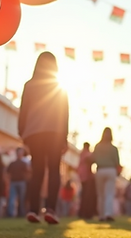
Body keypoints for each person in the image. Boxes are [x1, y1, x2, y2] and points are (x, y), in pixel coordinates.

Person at [18, 52, 69, 225]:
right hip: (55, 131)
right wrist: (64, 137)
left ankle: (33, 210)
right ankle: (51, 210)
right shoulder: (59, 85)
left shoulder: (30, 85)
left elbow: (23, 110)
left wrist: (22, 132)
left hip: (34, 132)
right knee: (54, 170)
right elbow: (65, 112)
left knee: (37, 171)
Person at [91, 127, 121, 222]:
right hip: (111, 170)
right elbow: (117, 162)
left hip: (100, 170)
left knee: (100, 195)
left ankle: (101, 215)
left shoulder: (97, 146)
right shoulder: (113, 148)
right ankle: (108, 213)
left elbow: (93, 159)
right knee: (109, 194)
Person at [6, 148, 29, 218]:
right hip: (18, 182)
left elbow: (8, 174)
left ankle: (13, 213)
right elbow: (28, 173)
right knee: (19, 199)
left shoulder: (14, 163)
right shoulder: (23, 163)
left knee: (14, 199)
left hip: (16, 182)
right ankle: (19, 213)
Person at [77, 142, 97, 220]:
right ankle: (87, 212)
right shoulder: (88, 154)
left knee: (83, 195)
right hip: (88, 177)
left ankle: (82, 212)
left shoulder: (81, 154)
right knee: (87, 196)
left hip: (82, 176)